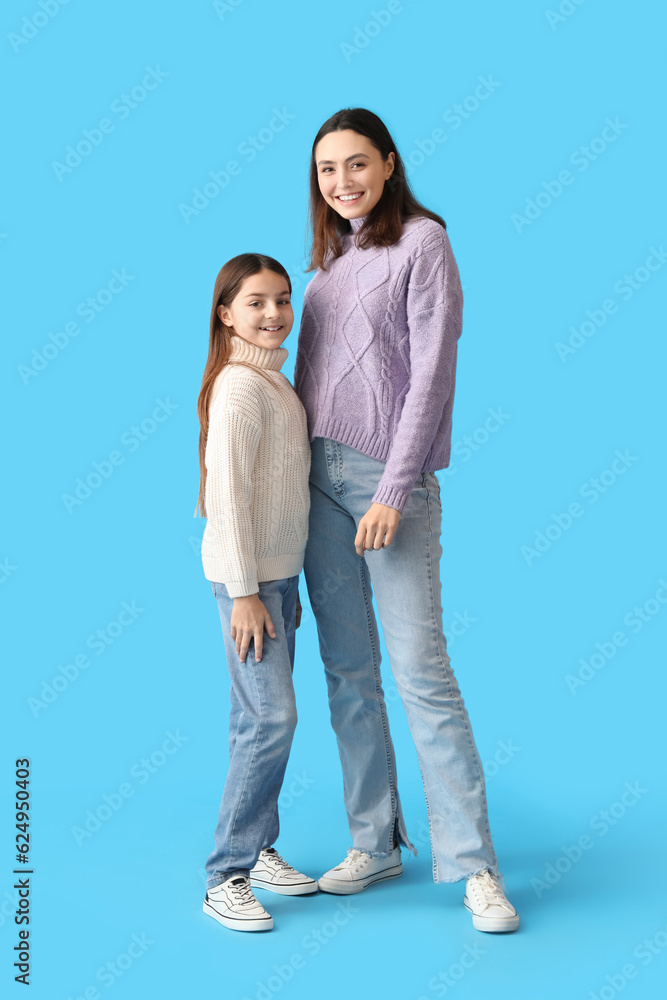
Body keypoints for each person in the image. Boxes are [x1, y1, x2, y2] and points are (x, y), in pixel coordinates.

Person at [293, 107, 519, 933]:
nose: (342, 182)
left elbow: (430, 376)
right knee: (348, 672)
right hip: (314, 481)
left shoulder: (423, 243)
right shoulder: (325, 265)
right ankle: (375, 841)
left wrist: (392, 488)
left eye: (356, 164)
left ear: (388, 164)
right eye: (326, 170)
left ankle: (475, 866)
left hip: (386, 480)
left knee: (420, 671)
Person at [194, 253, 318, 932]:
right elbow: (227, 499)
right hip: (251, 585)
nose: (273, 315)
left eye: (282, 300)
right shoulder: (240, 387)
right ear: (225, 313)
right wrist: (243, 592)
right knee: (271, 719)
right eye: (255, 303)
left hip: (278, 576)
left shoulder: (274, 384)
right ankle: (225, 874)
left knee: (257, 720)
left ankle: (260, 846)